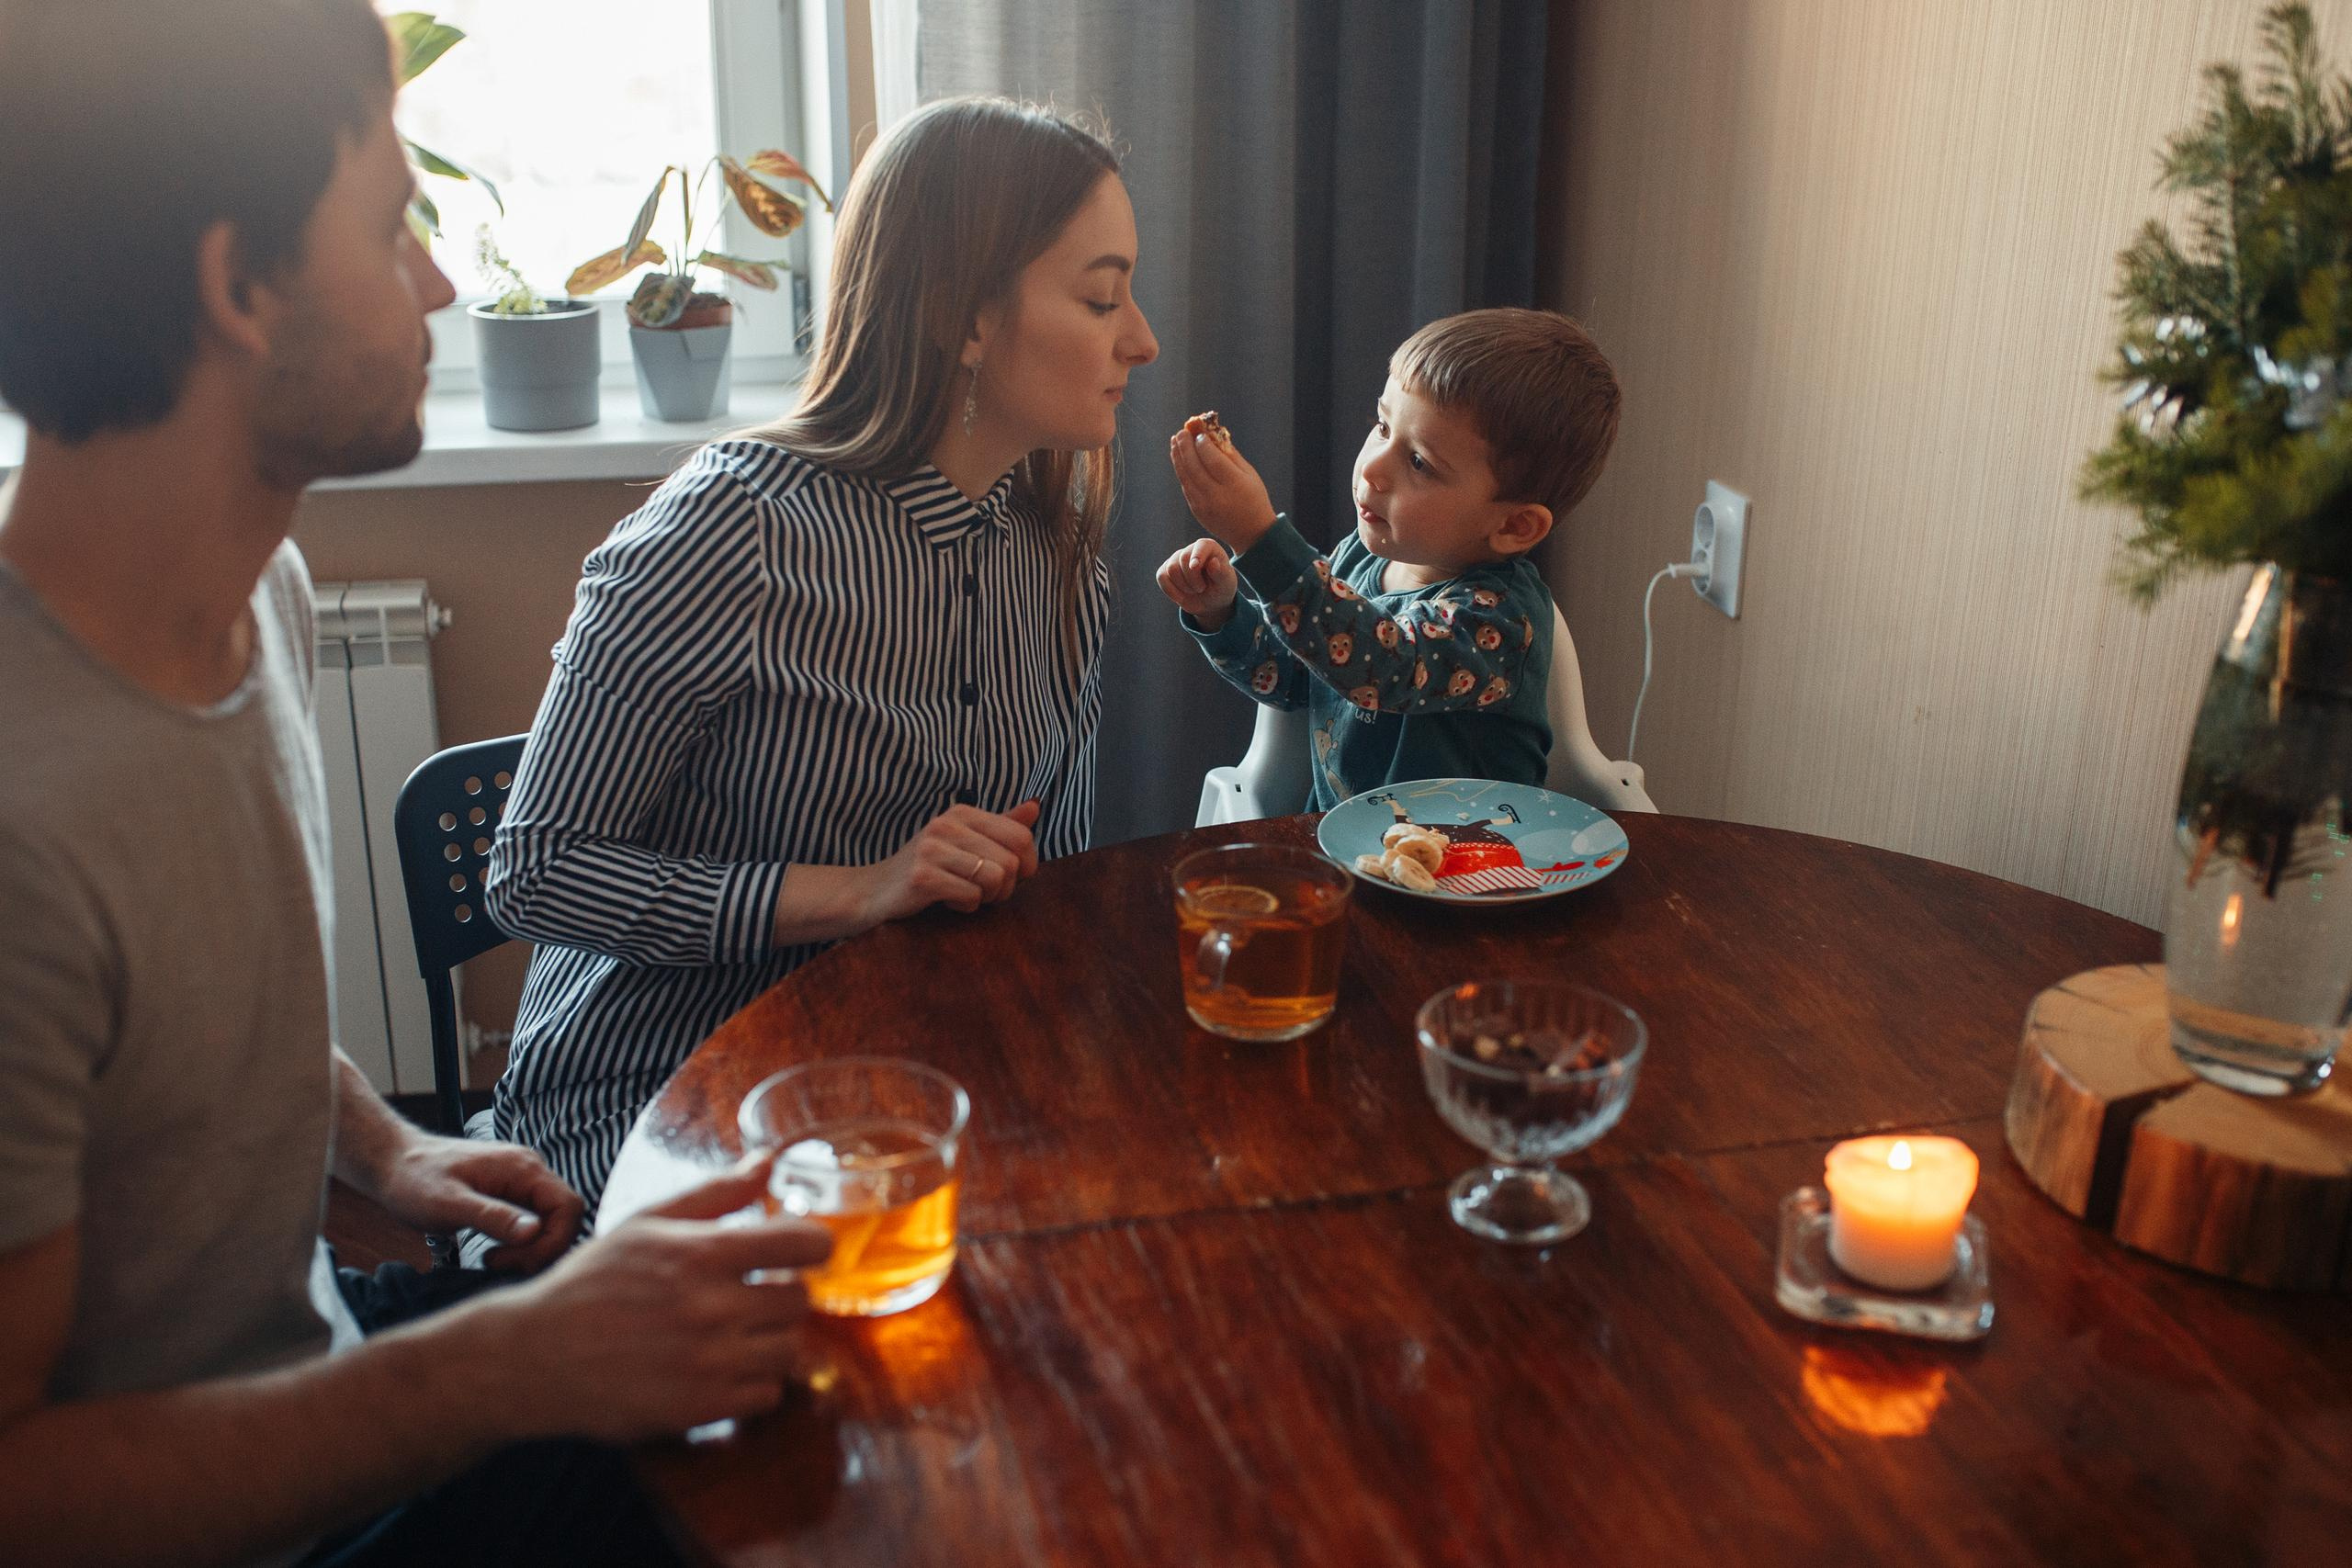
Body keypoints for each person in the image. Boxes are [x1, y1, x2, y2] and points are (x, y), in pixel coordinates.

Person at [0, 4, 830, 1563]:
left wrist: (384, 1149)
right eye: (393, 231)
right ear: (236, 285)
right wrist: (500, 1365)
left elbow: (179, 1023)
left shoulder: (258, 591)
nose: (443, 285)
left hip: (320, 1374)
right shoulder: (20, 830)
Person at [482, 96, 1159, 1216]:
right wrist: (858, 893)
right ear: (967, 320)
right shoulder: (729, 528)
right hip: (663, 1096)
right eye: (1100, 296)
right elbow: (538, 870)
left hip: (915, 1076)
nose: (1138, 338)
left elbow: (1050, 864)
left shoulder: (1055, 552)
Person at [1156, 308, 1622, 809]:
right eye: (1382, 427)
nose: (1373, 468)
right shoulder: (1355, 561)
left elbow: (1384, 667)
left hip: (1468, 873)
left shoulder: (1502, 620)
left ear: (1513, 526)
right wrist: (1222, 612)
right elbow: (1296, 676)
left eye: (1419, 462)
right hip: (1343, 854)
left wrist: (1257, 538)